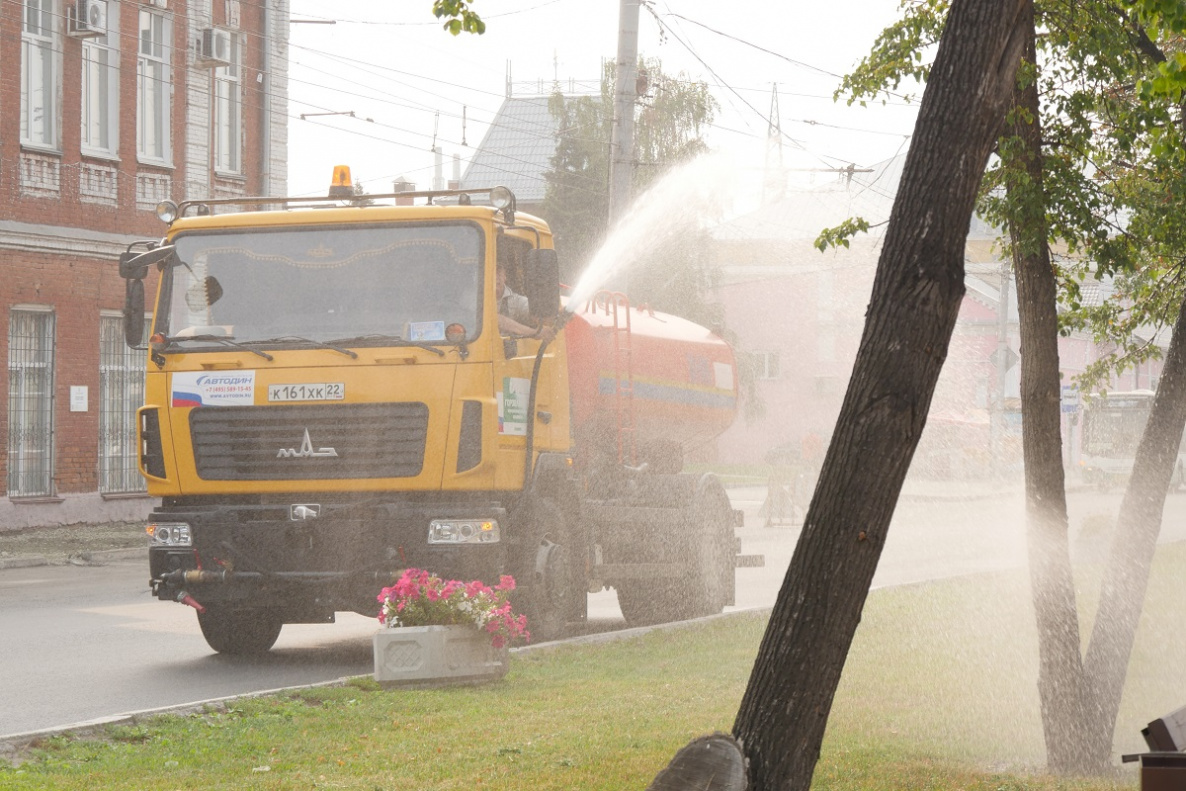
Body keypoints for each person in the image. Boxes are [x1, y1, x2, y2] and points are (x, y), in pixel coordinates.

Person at [496, 262, 555, 341]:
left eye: (498, 272)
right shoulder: (476, 301)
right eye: (491, 272)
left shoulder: (515, 301)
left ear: (505, 276)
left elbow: (532, 310)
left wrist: (549, 315)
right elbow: (496, 319)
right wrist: (533, 332)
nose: (495, 277)